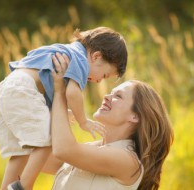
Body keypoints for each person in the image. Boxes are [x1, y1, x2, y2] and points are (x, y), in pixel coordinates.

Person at [0, 26, 128, 190]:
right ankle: (24, 186)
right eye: (105, 75)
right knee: (48, 139)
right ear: (96, 56)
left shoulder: (67, 51)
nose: (100, 81)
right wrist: (83, 121)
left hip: (7, 89)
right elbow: (72, 93)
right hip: (23, 90)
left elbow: (43, 82)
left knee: (21, 152)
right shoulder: (80, 60)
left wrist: (63, 112)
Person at [41, 53, 174, 190]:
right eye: (110, 93)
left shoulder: (128, 161)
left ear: (135, 116)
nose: (106, 97)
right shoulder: (91, 149)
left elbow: (64, 150)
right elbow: (36, 157)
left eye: (118, 96)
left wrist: (60, 92)